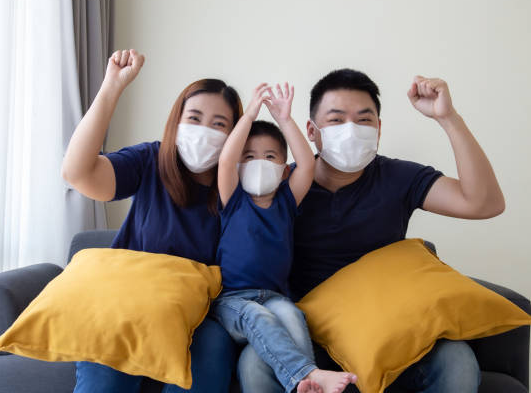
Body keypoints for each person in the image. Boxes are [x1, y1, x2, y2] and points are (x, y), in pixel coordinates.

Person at [237, 69, 505, 392]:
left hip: (389, 335)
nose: (350, 130)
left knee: (456, 359)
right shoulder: (282, 190)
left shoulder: (398, 178)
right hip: (310, 341)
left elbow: (484, 203)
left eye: (364, 120)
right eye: (336, 120)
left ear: (378, 130)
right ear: (311, 130)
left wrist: (448, 119)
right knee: (254, 362)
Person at [62, 49, 243, 393]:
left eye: (219, 124)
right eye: (194, 118)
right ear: (176, 122)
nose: (204, 131)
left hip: (199, 318)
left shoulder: (239, 188)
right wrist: (112, 87)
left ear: (235, 134)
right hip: (127, 303)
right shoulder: (150, 160)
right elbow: (77, 173)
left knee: (211, 353)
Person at [211, 82, 358, 393]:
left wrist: (285, 119)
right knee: (256, 315)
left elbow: (307, 163)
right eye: (250, 156)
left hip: (275, 296)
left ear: (283, 170)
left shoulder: (286, 202)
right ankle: (308, 374)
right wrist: (249, 114)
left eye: (270, 156)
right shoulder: (234, 200)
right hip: (233, 300)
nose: (260, 163)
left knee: (292, 317)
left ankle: (308, 386)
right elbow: (225, 161)